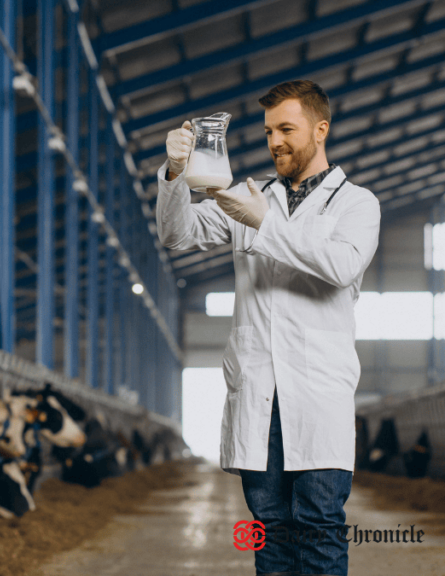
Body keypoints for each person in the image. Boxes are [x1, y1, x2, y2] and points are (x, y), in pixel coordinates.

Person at [156, 80, 381, 576]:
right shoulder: (248, 198)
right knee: (267, 530)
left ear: (321, 130)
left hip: (318, 396)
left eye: (287, 129)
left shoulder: (357, 205)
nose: (275, 141)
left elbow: (340, 266)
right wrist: (174, 173)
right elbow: (177, 233)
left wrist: (264, 223)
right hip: (259, 396)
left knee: (319, 526)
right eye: (267, 131)